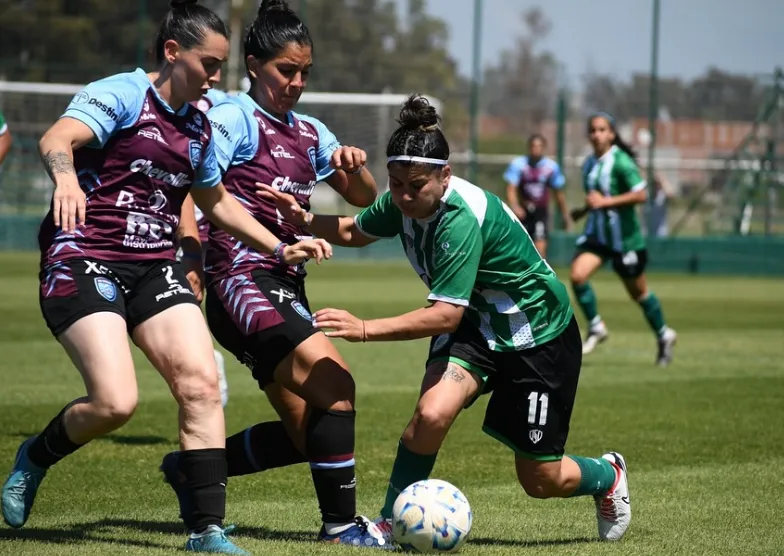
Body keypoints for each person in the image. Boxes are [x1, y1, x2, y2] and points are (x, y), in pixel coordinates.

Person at [0, 2, 331, 554]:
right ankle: (35, 456)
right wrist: (65, 181)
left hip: (155, 266)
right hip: (85, 256)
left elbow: (215, 203)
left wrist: (279, 245)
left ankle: (207, 531)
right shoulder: (124, 94)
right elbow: (56, 140)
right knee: (115, 402)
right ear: (172, 53)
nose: (216, 77)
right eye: (209, 63)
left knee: (201, 385)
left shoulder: (199, 126)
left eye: (222, 66)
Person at [261, 94, 633, 544]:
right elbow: (353, 230)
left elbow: (443, 315)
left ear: (445, 176)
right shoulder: (402, 202)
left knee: (541, 480)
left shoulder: (460, 217)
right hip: (477, 326)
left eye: (415, 186)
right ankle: (388, 523)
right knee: (431, 414)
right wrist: (303, 217)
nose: (403, 196)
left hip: (537, 335)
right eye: (395, 183)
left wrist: (363, 329)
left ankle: (607, 475)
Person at [160, 0, 390, 549]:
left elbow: (364, 198)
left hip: (284, 286)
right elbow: (193, 183)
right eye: (287, 70)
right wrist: (190, 254)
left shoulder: (311, 132)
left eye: (305, 72)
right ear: (254, 63)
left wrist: (354, 169)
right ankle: (341, 528)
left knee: (309, 434)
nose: (296, 82)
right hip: (242, 280)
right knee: (336, 384)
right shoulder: (234, 118)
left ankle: (189, 471)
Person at [569, 112, 677, 365]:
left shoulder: (621, 162)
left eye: (602, 130)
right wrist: (584, 210)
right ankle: (596, 326)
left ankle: (664, 334)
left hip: (625, 241)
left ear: (612, 134)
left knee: (639, 294)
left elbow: (641, 195)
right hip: (598, 237)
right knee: (577, 276)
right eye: (593, 130)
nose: (596, 134)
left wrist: (606, 202)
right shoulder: (588, 164)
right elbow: (597, 198)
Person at [504, 134, 571, 257]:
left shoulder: (551, 167)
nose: (536, 149)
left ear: (543, 148)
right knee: (519, 247)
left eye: (539, 146)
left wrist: (565, 214)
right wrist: (515, 206)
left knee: (540, 248)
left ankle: (540, 274)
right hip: (523, 212)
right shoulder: (518, 164)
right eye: (533, 146)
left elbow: (558, 193)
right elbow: (511, 189)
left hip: (541, 212)